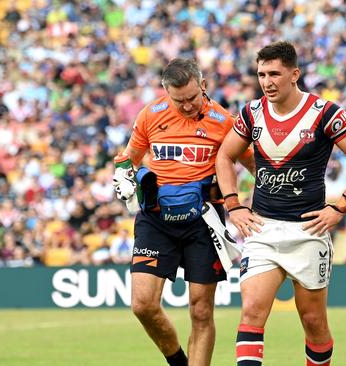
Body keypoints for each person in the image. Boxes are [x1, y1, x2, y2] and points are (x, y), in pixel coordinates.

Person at [215, 41, 346, 366]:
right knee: (251, 312)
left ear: (295, 74)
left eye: (274, 73)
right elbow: (225, 154)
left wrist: (341, 206)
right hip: (262, 230)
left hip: (308, 232)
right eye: (262, 74)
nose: (267, 82)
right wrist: (233, 205)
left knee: (313, 322)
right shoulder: (251, 113)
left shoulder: (325, 113)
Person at [112, 58, 254, 366]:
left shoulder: (224, 121)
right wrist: (123, 174)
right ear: (166, 92)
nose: (187, 106)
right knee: (142, 305)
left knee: (201, 310)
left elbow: (252, 164)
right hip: (156, 219)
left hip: (204, 221)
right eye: (179, 101)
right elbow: (130, 158)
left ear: (203, 86)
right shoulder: (150, 115)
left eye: (192, 98)